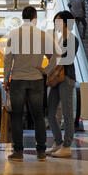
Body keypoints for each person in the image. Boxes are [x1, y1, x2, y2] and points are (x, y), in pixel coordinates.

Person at [3, 6, 60, 162]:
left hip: (17, 79)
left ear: (23, 18)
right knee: (38, 116)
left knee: (17, 116)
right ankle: (41, 151)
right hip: (36, 80)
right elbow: (57, 54)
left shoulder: (13, 34)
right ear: (35, 17)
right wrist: (46, 70)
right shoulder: (43, 35)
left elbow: (7, 59)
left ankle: (18, 152)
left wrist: (5, 79)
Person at [37, 10, 79, 158]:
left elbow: (68, 60)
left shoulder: (72, 39)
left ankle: (67, 146)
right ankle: (58, 142)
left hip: (66, 78)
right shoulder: (60, 40)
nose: (56, 23)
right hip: (56, 78)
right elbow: (56, 59)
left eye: (58, 20)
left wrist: (54, 60)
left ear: (66, 22)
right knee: (50, 112)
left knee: (67, 113)